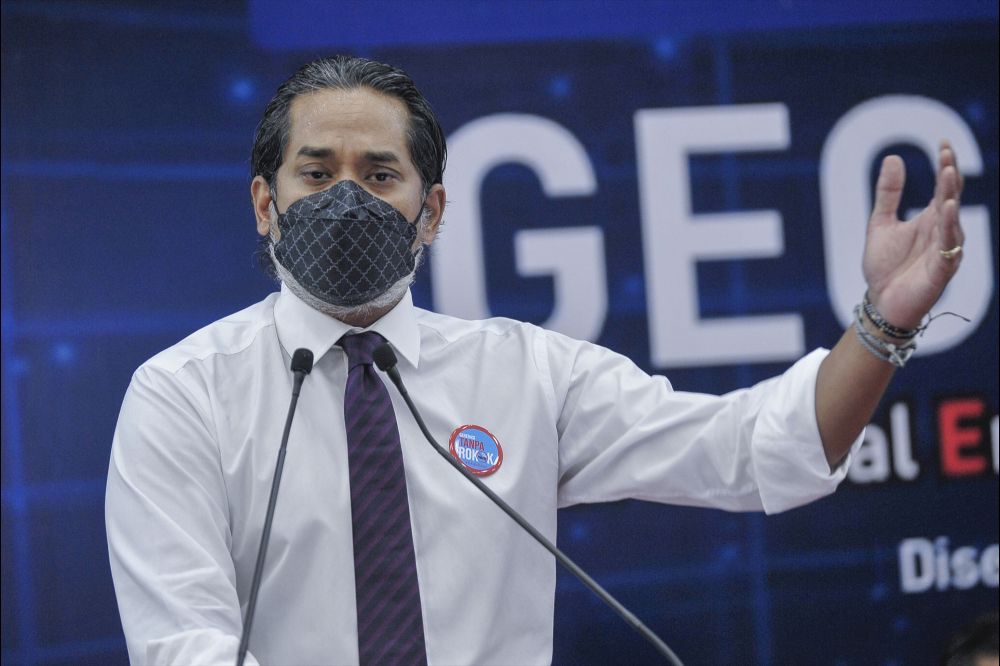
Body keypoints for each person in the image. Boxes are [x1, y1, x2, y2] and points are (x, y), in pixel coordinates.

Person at [105, 55, 966, 665]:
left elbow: (750, 450)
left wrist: (881, 325)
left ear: (432, 209)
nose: (346, 200)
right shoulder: (184, 395)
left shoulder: (525, 375)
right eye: (315, 173)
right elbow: (185, 645)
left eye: (379, 175)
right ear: (266, 203)